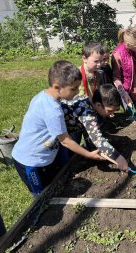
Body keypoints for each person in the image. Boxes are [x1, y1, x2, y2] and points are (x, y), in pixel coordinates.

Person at [12, 60, 105, 197]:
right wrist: (89, 154)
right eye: (73, 89)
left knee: (52, 187)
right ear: (57, 87)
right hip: (30, 161)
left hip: (44, 156)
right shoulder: (53, 110)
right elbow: (65, 141)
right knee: (41, 197)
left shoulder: (43, 96)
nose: (77, 91)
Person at [61, 84, 129, 170]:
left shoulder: (88, 101)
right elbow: (98, 140)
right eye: (110, 111)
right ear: (98, 105)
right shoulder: (88, 114)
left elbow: (90, 132)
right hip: (55, 134)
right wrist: (119, 158)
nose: (111, 114)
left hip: (67, 128)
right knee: (63, 158)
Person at [112, 27, 136, 114]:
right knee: (130, 114)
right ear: (128, 44)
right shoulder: (118, 54)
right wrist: (123, 93)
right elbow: (116, 78)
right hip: (124, 91)